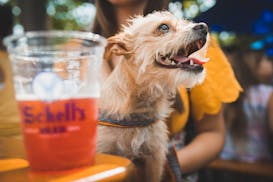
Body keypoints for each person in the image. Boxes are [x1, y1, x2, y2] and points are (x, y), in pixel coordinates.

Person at [93, 0, 242, 180]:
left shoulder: (197, 47)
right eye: (163, 29)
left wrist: (159, 165)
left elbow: (213, 134)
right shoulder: (72, 52)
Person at [221, 47, 273, 162]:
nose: (270, 63)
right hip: (259, 164)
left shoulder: (225, 92)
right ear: (253, 66)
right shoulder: (268, 94)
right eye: (266, 60)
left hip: (224, 161)